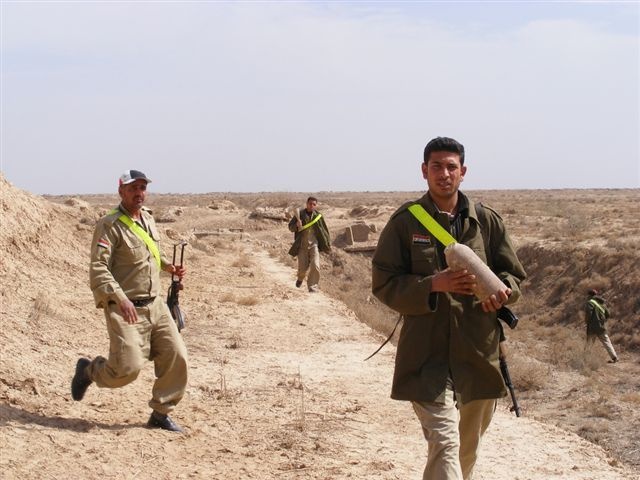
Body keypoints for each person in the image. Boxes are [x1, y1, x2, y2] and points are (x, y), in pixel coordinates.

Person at [371, 137, 526, 480]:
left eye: (451, 167)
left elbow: (513, 276)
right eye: (437, 166)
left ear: (463, 172)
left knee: (467, 448)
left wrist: (503, 293)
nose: (444, 174)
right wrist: (432, 285)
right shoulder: (405, 222)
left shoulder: (486, 221)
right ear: (424, 171)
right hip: (426, 354)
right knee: (445, 441)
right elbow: (383, 282)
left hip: (478, 352)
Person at [71, 170, 188, 432]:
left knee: (176, 356)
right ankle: (88, 371)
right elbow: (99, 267)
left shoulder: (147, 219)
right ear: (121, 191)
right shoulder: (109, 225)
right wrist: (119, 297)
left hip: (155, 305)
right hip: (126, 308)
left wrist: (169, 267)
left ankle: (160, 413)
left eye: (143, 188)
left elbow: (150, 254)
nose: (139, 193)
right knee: (126, 370)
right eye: (133, 188)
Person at [288, 196, 331, 292]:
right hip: (302, 246)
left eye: (314, 204)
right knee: (302, 269)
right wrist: (296, 225)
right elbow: (290, 227)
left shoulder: (318, 216)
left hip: (314, 245)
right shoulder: (300, 214)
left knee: (315, 265)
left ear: (316, 206)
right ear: (307, 204)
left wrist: (327, 244)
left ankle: (312, 286)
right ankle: (300, 278)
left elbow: (324, 231)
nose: (311, 206)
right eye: (310, 203)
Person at [584, 289, 618, 363]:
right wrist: (602, 321)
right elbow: (608, 314)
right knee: (607, 342)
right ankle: (614, 357)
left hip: (592, 327)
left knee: (589, 343)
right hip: (601, 327)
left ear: (589, 295)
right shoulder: (602, 304)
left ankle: (585, 359)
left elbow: (588, 314)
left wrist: (587, 321)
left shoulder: (590, 302)